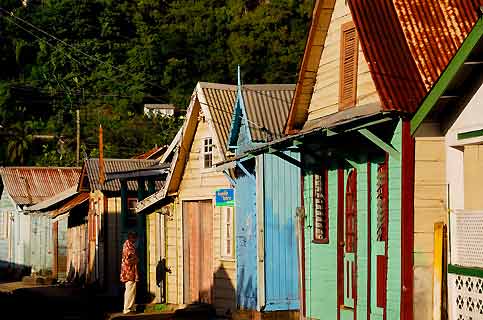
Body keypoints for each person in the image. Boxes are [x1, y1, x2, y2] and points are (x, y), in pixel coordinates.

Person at [121, 231, 139, 314]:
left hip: (128, 271)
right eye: (135, 238)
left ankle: (129, 308)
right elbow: (128, 260)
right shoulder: (129, 247)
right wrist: (136, 260)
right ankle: (128, 308)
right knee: (130, 290)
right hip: (129, 271)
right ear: (132, 238)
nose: (136, 240)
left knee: (130, 289)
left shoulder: (126, 245)